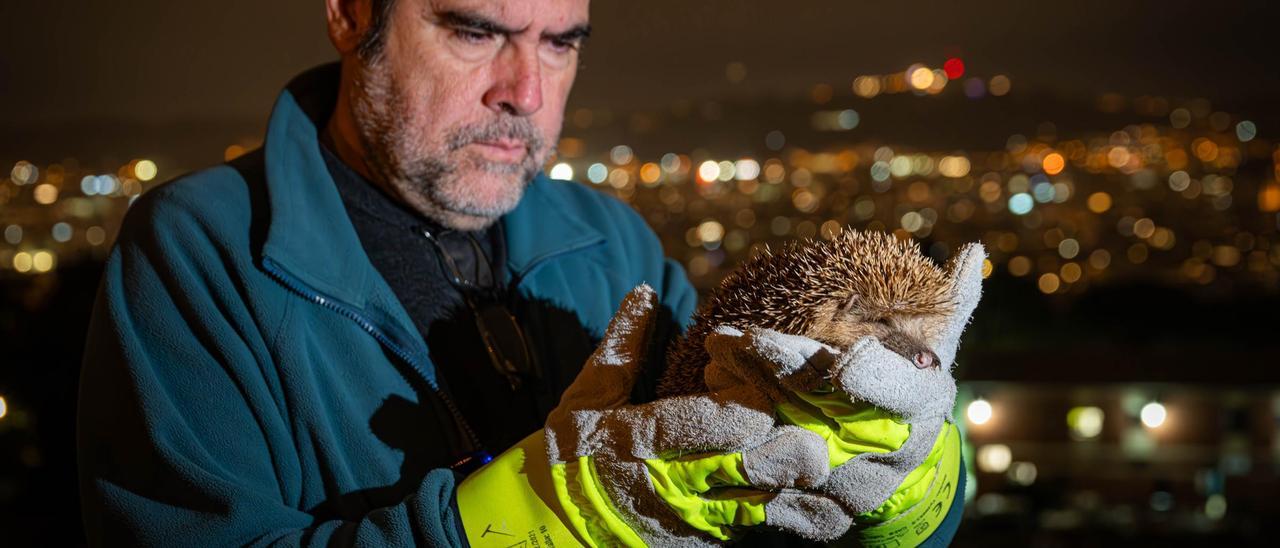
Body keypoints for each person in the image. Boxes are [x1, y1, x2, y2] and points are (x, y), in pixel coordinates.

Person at [77, 0, 966, 545]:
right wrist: (541, 518)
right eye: (475, 32)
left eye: (560, 43)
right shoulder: (200, 251)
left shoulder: (611, 242)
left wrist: (904, 484)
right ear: (352, 12)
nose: (527, 93)